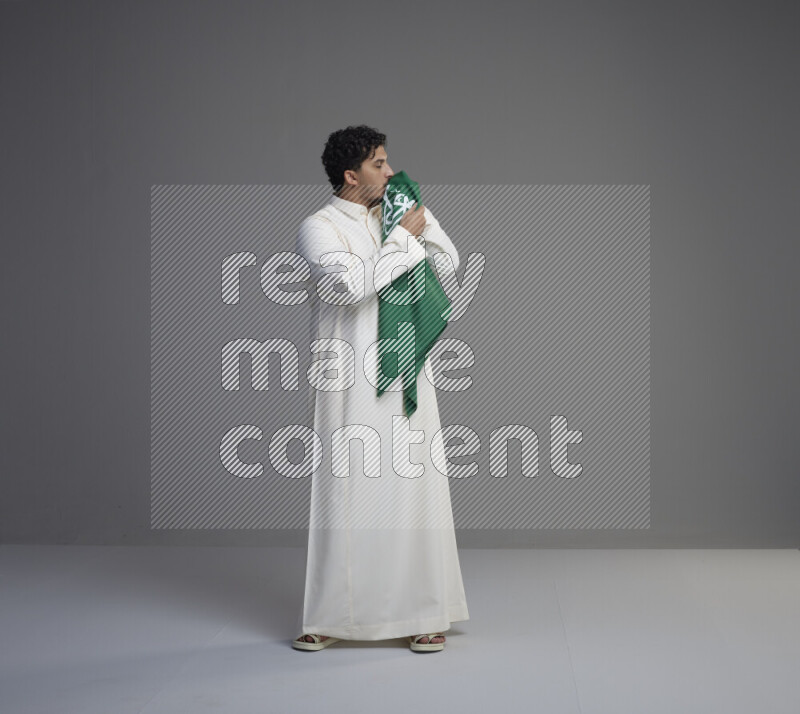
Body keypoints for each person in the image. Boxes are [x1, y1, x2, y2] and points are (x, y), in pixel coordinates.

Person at [292, 125, 469, 653]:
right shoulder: (317, 227)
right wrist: (404, 240)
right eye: (379, 164)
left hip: (408, 368)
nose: (391, 172)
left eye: (388, 162)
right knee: (345, 493)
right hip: (347, 374)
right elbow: (349, 285)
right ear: (351, 175)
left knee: (415, 490)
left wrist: (416, 230)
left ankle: (425, 612)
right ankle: (332, 615)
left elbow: (448, 264)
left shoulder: (401, 208)